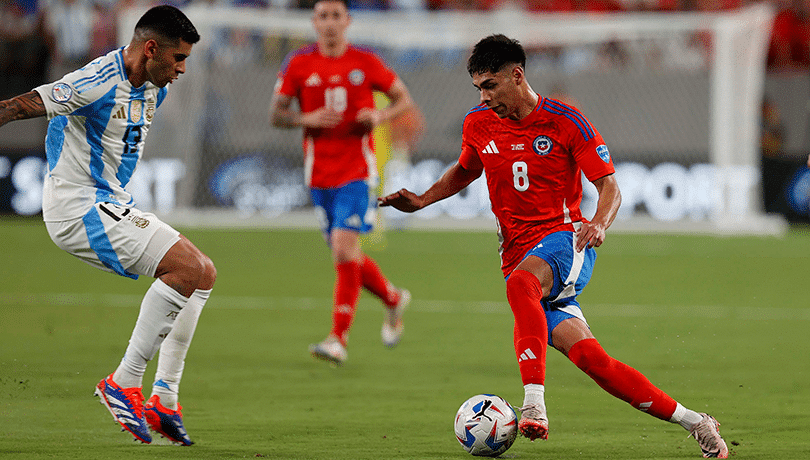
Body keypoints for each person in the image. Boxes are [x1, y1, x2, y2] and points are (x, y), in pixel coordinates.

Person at [380, 34, 729, 458]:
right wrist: (420, 200)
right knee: (593, 362)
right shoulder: (479, 123)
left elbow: (609, 186)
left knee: (521, 286)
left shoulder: (566, 121)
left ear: (517, 75)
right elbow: (466, 168)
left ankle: (533, 404)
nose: (485, 97)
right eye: (478, 89)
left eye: (490, 86)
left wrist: (600, 223)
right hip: (516, 253)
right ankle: (695, 422)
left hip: (568, 239)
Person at [0, 5, 215, 446]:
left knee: (203, 275)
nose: (181, 70)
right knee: (188, 269)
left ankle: (164, 400)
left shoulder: (155, 85)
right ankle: (123, 383)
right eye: (178, 59)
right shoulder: (95, 80)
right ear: (151, 48)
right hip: (77, 208)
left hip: (112, 203)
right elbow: (17, 106)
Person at [270, 0, 415, 366]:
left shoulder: (365, 62)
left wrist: (378, 116)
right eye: (324, 16)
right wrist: (307, 118)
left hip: (357, 172)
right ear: (314, 22)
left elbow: (403, 100)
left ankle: (338, 338)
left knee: (342, 247)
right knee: (347, 253)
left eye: (337, 16)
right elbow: (276, 115)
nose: (330, 23)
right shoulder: (299, 64)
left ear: (347, 21)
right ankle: (393, 298)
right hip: (319, 175)